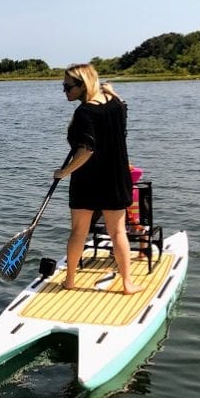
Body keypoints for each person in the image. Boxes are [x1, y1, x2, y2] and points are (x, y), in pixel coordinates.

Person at [53, 64, 142, 294]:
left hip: (87, 180)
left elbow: (87, 150)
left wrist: (64, 172)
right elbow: (123, 108)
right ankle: (128, 284)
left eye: (68, 87)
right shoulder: (115, 104)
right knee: (118, 232)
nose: (64, 91)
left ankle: (70, 280)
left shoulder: (84, 112)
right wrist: (112, 91)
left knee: (78, 232)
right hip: (115, 178)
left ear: (83, 85)